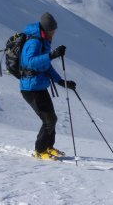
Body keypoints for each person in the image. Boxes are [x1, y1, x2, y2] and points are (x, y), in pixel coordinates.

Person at [20, 12, 76, 160]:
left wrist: (61, 82)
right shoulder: (34, 42)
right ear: (45, 29)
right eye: (52, 31)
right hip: (30, 88)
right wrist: (51, 55)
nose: (53, 33)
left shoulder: (44, 41)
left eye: (54, 31)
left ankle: (48, 147)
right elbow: (29, 62)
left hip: (39, 85)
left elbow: (46, 66)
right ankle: (39, 151)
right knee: (48, 120)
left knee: (52, 119)